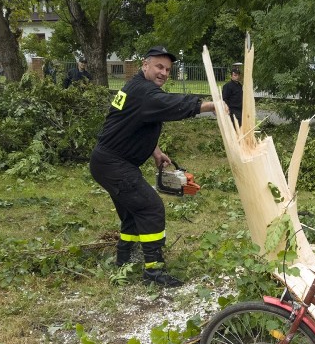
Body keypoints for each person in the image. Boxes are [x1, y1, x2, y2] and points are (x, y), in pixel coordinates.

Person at [89, 46, 221, 287]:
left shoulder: (136, 88)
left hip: (109, 161)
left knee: (133, 210)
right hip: (114, 164)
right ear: (145, 65)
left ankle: (125, 258)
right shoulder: (145, 92)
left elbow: (131, 123)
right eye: (159, 67)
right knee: (151, 208)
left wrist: (155, 151)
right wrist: (211, 106)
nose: (164, 73)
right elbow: (171, 105)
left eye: (168, 69)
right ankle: (154, 270)